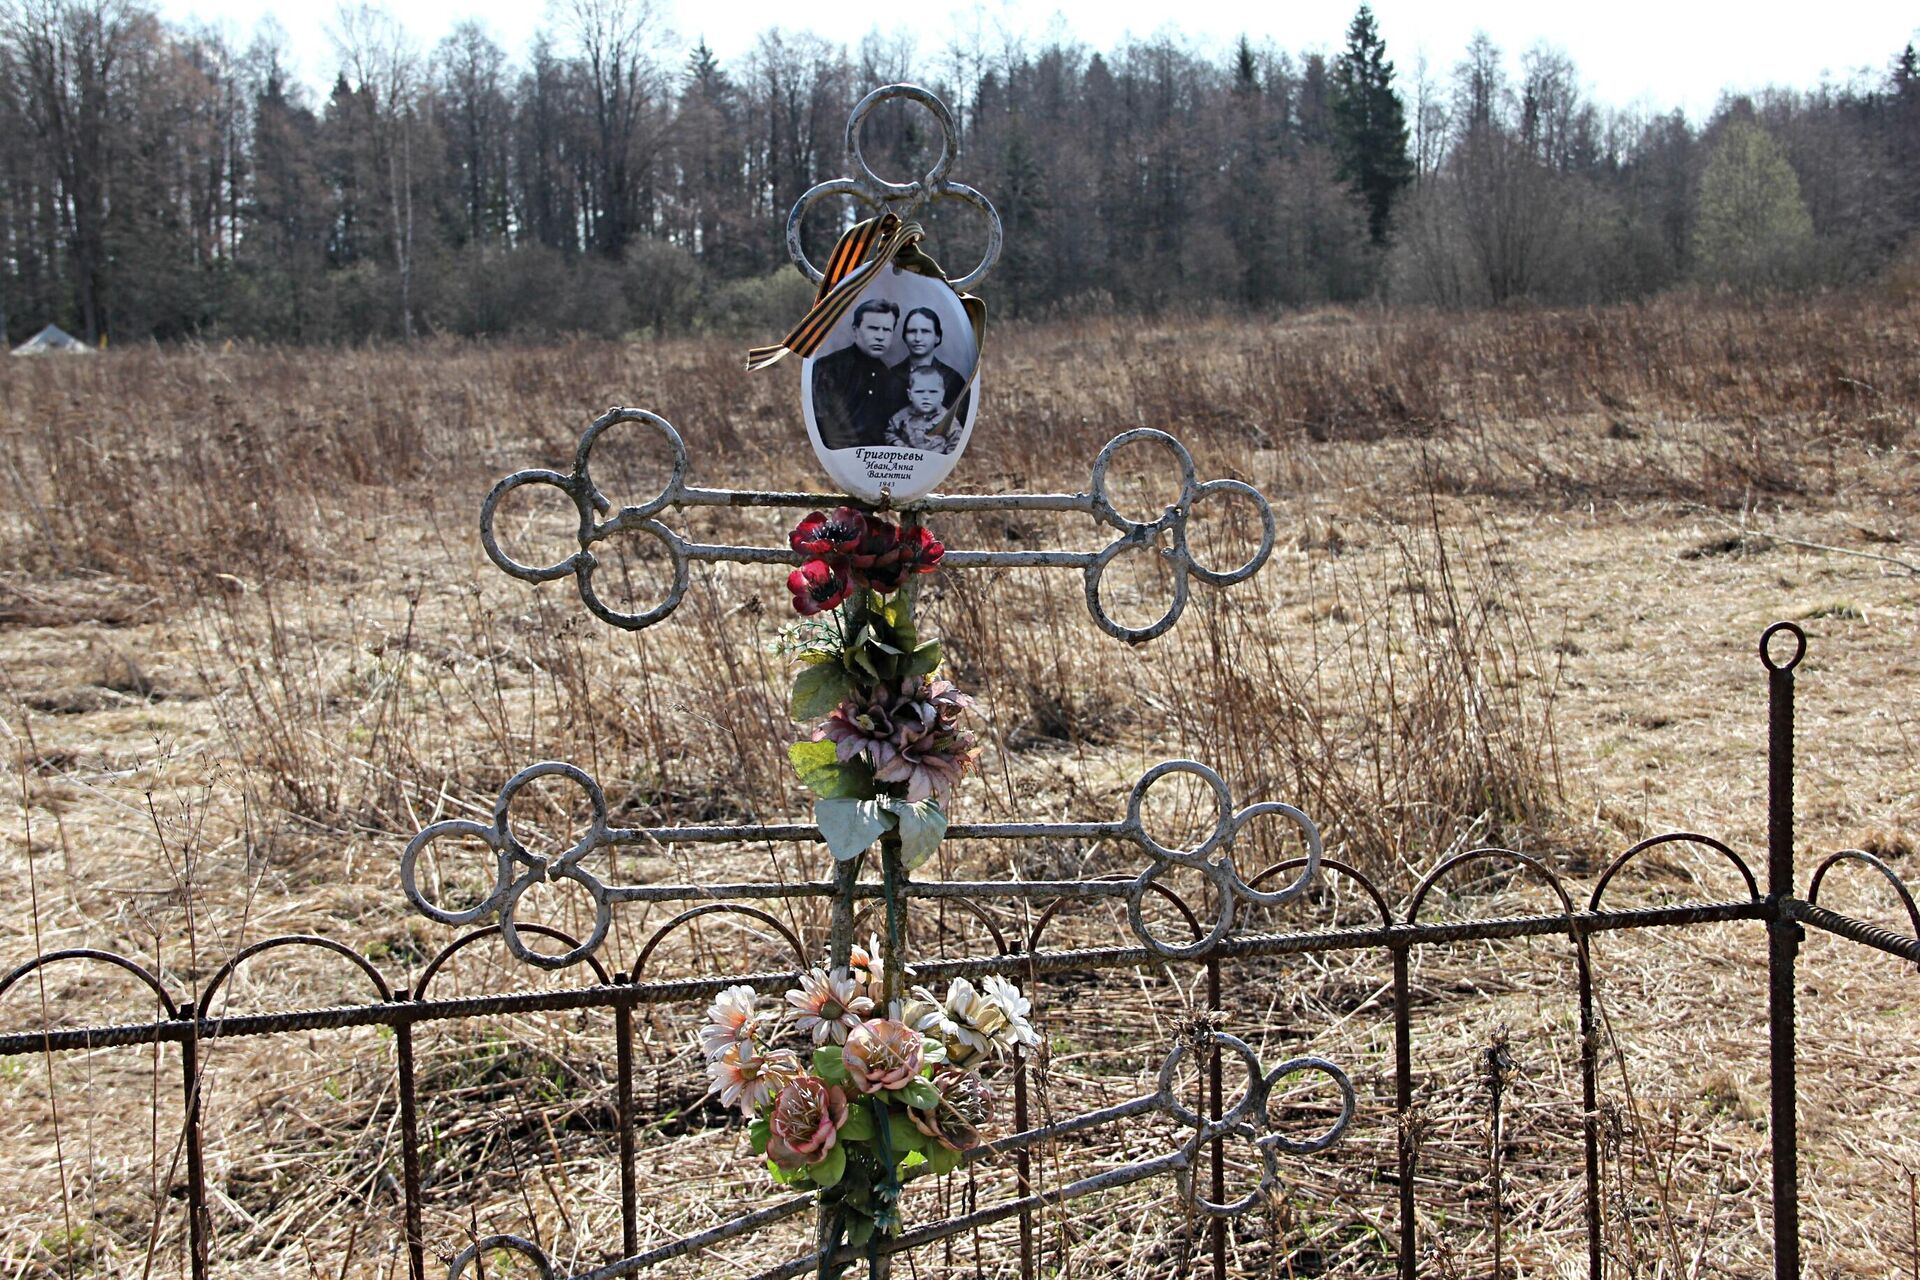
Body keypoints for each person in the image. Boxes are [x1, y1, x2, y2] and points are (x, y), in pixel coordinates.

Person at [810, 300, 904, 450]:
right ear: (855, 330)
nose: (880, 336)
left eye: (887, 330)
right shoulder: (829, 367)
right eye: (873, 328)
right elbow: (821, 423)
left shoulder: (891, 378)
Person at [890, 307, 969, 424]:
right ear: (905, 337)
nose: (918, 338)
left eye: (925, 331)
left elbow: (960, 424)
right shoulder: (891, 376)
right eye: (912, 331)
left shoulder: (953, 380)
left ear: (937, 337)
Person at [885, 366, 960, 453]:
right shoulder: (901, 416)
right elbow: (889, 433)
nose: (926, 397)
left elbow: (957, 441)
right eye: (919, 392)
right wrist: (900, 445)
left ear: (942, 395)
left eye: (933, 392)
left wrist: (945, 459)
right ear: (910, 395)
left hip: (935, 462)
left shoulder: (947, 419)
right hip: (908, 461)